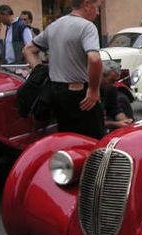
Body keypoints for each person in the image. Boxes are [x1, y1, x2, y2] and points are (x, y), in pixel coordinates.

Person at [23, 0, 104, 139]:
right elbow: (94, 59)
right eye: (97, 8)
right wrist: (94, 89)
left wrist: (39, 70)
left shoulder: (54, 26)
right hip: (81, 96)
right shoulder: (87, 27)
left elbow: (28, 49)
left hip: (57, 95)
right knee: (92, 141)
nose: (98, 13)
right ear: (86, 5)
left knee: (67, 139)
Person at [100, 60, 134, 130]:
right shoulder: (87, 91)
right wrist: (116, 124)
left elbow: (114, 109)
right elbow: (91, 122)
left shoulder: (111, 88)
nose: (114, 84)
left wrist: (125, 121)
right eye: (111, 80)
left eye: (115, 81)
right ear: (101, 75)